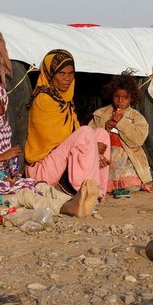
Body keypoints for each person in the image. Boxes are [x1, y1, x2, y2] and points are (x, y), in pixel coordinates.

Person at [0, 79, 98, 217]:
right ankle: (67, 207)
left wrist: (12, 173)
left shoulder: (3, 128)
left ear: (4, 107)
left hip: (2, 180)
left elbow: (4, 167)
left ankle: (78, 200)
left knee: (40, 186)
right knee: (26, 196)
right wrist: (4, 156)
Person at [24, 49, 110, 198]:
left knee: (101, 134)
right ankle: (77, 189)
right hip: (43, 170)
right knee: (86, 133)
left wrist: (94, 153)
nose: (67, 79)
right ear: (50, 75)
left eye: (71, 74)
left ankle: (96, 191)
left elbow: (71, 136)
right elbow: (54, 142)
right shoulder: (43, 100)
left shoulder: (64, 99)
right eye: (61, 73)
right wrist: (92, 150)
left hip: (61, 163)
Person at [89, 73, 152, 193]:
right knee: (98, 182)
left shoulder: (137, 117)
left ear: (132, 98)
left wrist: (122, 122)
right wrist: (104, 127)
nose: (120, 101)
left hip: (128, 157)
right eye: (116, 97)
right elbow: (88, 135)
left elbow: (138, 139)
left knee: (131, 185)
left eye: (125, 97)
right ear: (111, 95)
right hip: (106, 156)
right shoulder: (100, 114)